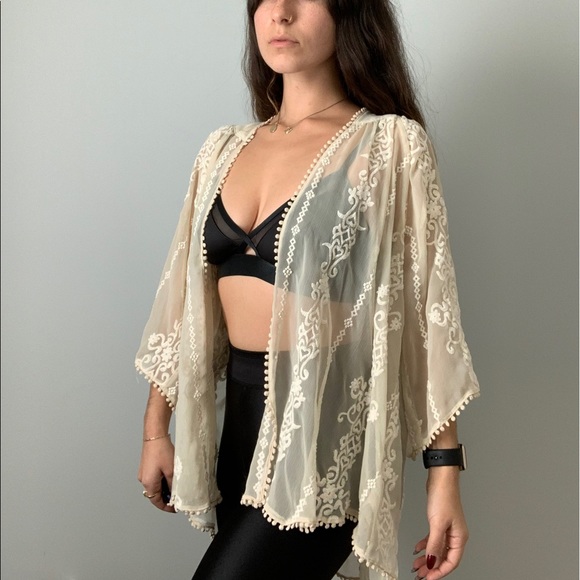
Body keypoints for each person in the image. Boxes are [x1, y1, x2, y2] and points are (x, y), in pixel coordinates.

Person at [136, 1, 480, 579]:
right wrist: (156, 430)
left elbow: (429, 317)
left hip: (323, 428)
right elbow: (180, 304)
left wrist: (444, 474)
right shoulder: (223, 149)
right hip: (237, 426)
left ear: (350, 14)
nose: (282, 13)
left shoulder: (388, 146)